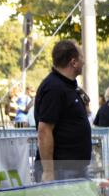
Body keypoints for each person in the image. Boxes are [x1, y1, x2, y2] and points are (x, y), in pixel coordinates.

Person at [34, 40, 92, 182]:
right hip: (61, 170)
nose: (84, 62)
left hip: (73, 168)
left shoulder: (67, 86)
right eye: (82, 57)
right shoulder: (54, 88)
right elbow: (44, 131)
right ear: (73, 62)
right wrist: (48, 172)